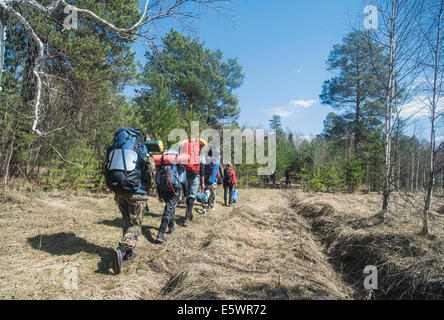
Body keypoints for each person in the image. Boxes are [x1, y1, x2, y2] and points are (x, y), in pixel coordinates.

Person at [107, 131, 155, 275]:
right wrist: (149, 186)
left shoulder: (117, 148)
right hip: (137, 192)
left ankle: (128, 254)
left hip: (119, 192)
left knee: (127, 222)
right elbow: (151, 168)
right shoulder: (142, 149)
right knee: (135, 226)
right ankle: (122, 249)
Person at [155, 158, 186, 243]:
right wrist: (185, 194)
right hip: (175, 190)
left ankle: (171, 227)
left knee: (169, 207)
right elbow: (183, 181)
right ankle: (161, 233)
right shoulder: (180, 166)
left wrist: (159, 193)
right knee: (168, 209)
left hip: (163, 189)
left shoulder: (161, 166)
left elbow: (157, 180)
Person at [182, 139, 206, 226]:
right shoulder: (200, 154)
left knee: (187, 196)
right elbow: (202, 168)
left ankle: (188, 214)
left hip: (185, 174)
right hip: (195, 175)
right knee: (191, 196)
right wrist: (202, 182)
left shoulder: (184, 150)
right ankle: (187, 217)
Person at [202, 147, 223, 211]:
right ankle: (211, 205)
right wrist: (221, 177)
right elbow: (219, 169)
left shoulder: (205, 159)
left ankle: (204, 206)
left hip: (205, 178)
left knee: (206, 191)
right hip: (213, 178)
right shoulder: (216, 160)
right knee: (212, 192)